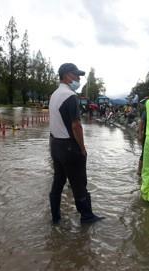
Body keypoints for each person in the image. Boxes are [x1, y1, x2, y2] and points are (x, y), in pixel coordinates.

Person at [48, 63, 104, 225]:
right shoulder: (70, 96)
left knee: (58, 182)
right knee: (79, 182)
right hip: (69, 147)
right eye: (76, 75)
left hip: (55, 145)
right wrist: (82, 147)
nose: (78, 79)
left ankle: (55, 217)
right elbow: (76, 125)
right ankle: (87, 216)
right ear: (66, 75)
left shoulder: (54, 95)